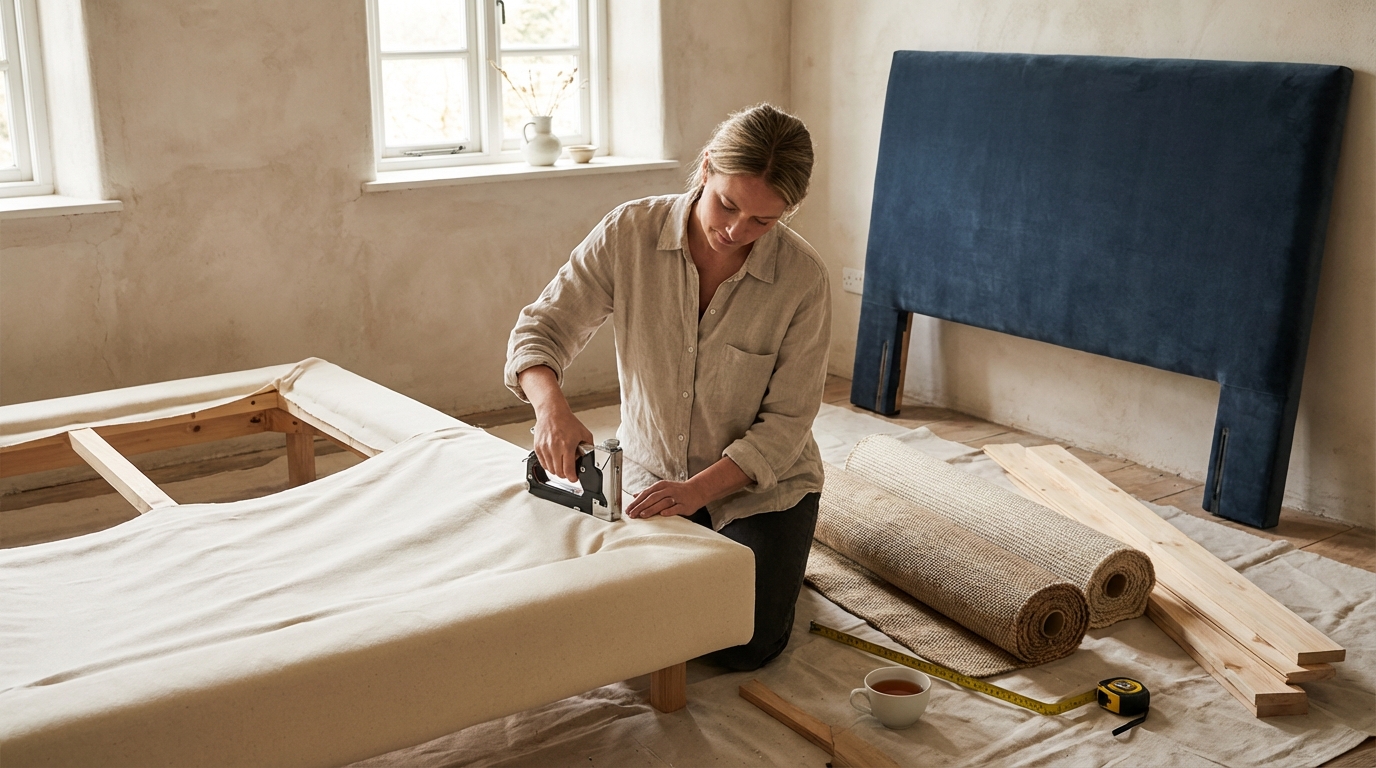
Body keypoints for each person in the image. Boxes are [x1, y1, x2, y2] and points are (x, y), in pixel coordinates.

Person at [504, 103, 830, 671]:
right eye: (728, 204)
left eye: (762, 221)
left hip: (758, 485)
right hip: (652, 473)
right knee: (609, 614)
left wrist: (702, 491)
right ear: (705, 169)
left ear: (788, 211)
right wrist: (549, 408)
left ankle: (781, 558)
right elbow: (542, 328)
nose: (734, 230)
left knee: (742, 643)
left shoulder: (803, 280)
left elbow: (787, 424)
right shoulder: (628, 232)